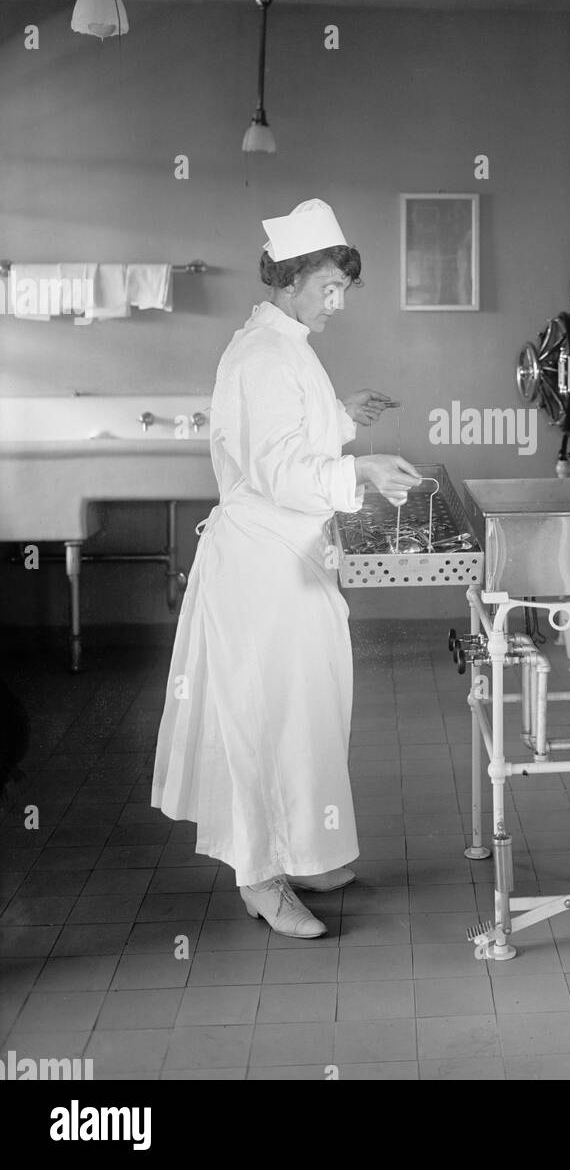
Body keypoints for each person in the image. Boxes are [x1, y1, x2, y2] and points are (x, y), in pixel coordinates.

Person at [151, 198, 421, 937]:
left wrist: (340, 413)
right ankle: (260, 877)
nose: (338, 303)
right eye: (328, 287)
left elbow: (291, 428)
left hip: (289, 559)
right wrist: (359, 471)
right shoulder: (262, 352)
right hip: (260, 568)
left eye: (343, 289)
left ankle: (306, 849)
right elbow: (274, 468)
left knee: (309, 711)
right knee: (265, 720)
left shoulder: (285, 342)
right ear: (292, 277)